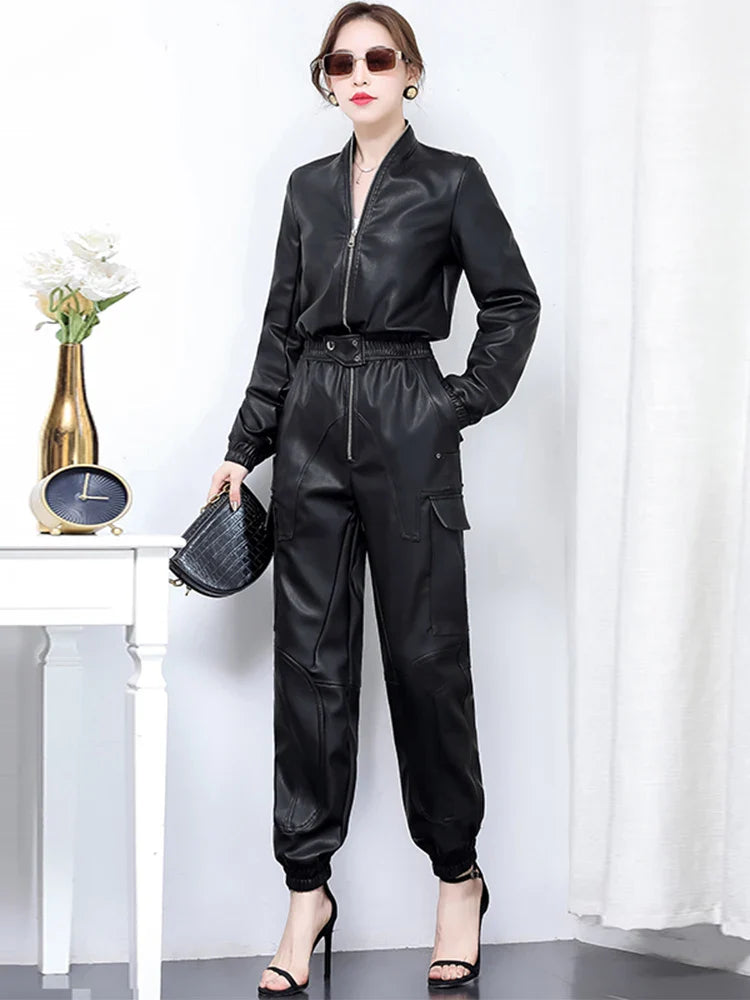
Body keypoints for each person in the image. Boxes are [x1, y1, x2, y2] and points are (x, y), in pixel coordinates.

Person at [207, 2, 541, 994]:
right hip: (309, 426)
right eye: (341, 62)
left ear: (410, 73)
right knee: (309, 668)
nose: (359, 74)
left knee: (426, 661)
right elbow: (280, 329)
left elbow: (512, 303)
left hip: (407, 423)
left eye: (378, 58)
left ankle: (458, 878)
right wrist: (242, 450)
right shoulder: (306, 189)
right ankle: (306, 891)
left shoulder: (451, 181)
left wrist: (453, 404)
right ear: (327, 79)